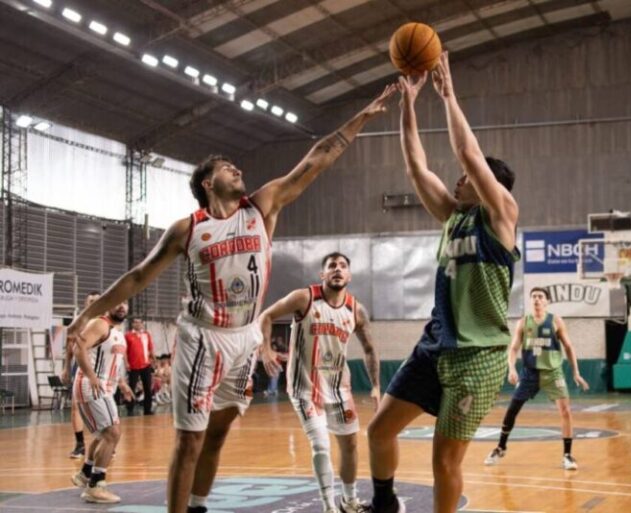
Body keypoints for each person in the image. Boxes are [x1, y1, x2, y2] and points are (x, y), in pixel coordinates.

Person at [66, 84, 396, 513]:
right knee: (190, 439)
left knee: (218, 434)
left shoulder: (261, 208)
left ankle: (198, 505)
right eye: (227, 167)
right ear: (208, 183)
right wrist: (83, 315)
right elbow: (137, 276)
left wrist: (363, 117)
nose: (237, 170)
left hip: (242, 340)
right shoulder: (188, 229)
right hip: (202, 337)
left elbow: (315, 161)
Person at [365, 52, 520, 513]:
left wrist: (448, 96)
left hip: (479, 356)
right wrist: (409, 104)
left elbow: (468, 155)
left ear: (489, 183)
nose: (457, 180)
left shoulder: (502, 216)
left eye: (467, 179)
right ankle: (384, 503)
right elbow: (416, 167)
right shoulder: (454, 217)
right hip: (436, 346)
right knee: (379, 431)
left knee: (443, 461)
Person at [259, 252, 380, 513]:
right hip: (305, 388)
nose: (338, 269)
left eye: (343, 266)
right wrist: (266, 349)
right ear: (322, 275)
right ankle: (329, 507)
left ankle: (349, 502)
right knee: (321, 444)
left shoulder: (356, 310)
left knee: (350, 445)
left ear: (349, 275)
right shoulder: (304, 298)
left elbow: (370, 349)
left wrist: (375, 385)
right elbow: (266, 316)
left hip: (339, 390)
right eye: (332, 266)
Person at [484, 287, 590, 470]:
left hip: (553, 372)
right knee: (512, 409)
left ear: (547, 301)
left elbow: (569, 347)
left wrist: (576, 372)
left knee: (565, 411)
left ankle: (567, 455)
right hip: (529, 373)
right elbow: (514, 348)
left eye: (540, 297)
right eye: (533, 297)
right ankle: (500, 447)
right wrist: (511, 368)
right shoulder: (524, 322)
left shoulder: (556, 321)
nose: (537, 300)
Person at [70, 301, 134, 504]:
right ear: (108, 306)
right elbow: (78, 347)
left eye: (125, 303)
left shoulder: (118, 332)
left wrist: (123, 383)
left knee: (102, 434)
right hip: (93, 385)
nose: (121, 306)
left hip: (107, 387)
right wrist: (91, 376)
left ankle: (85, 473)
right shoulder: (100, 324)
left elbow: (114, 362)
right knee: (112, 433)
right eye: (117, 302)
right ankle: (96, 485)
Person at [61, 290, 101, 458]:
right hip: (81, 366)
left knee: (101, 406)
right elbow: (70, 346)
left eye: (96, 300)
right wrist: (66, 366)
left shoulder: (105, 322)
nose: (92, 303)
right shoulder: (80, 322)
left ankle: (105, 441)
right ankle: (79, 445)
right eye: (90, 300)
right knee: (76, 407)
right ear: (86, 303)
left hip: (100, 368)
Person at [125, 318, 155, 415]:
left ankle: (148, 409)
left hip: (146, 365)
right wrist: (126, 363)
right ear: (132, 324)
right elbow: (125, 351)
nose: (137, 324)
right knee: (131, 387)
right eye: (135, 322)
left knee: (147, 388)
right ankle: (130, 408)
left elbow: (151, 349)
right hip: (133, 366)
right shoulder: (128, 335)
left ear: (143, 324)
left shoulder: (146, 334)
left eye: (139, 322)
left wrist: (154, 360)